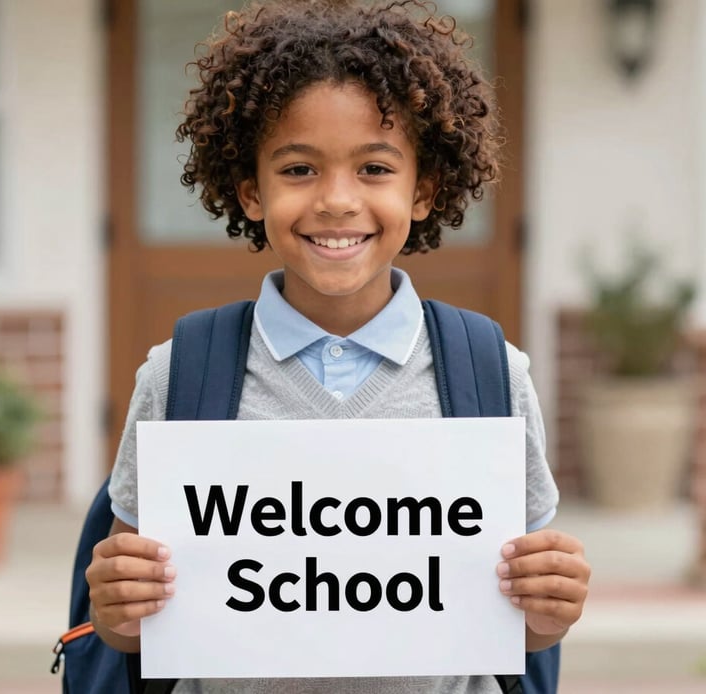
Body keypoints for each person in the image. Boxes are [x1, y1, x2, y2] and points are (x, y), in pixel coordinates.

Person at [86, 1, 591, 692]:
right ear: (250, 191)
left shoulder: (491, 374)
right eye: (298, 170)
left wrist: (552, 609)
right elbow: (126, 628)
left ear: (425, 189)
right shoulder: (180, 375)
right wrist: (116, 605)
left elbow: (521, 627)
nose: (336, 200)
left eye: (375, 169)